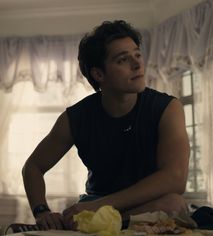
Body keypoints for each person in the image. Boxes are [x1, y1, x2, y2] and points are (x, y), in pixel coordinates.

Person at [22, 20, 190, 231]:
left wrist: (98, 207)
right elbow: (33, 167)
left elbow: (175, 179)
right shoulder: (75, 117)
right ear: (98, 74)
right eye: (123, 60)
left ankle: (99, 224)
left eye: (137, 55)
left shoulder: (168, 108)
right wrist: (41, 211)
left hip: (139, 206)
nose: (137, 64)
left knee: (174, 204)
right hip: (96, 204)